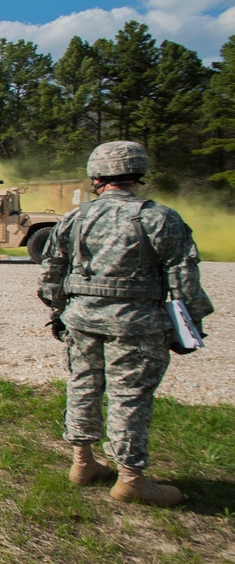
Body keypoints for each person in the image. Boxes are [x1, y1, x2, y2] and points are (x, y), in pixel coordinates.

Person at [38, 141, 214, 507]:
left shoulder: (74, 218)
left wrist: (58, 314)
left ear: (96, 176)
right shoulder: (160, 218)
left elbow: (51, 274)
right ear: (137, 173)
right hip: (136, 324)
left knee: (83, 385)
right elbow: (184, 281)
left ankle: (82, 463)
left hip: (82, 321)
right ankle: (131, 480)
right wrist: (190, 325)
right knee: (129, 396)